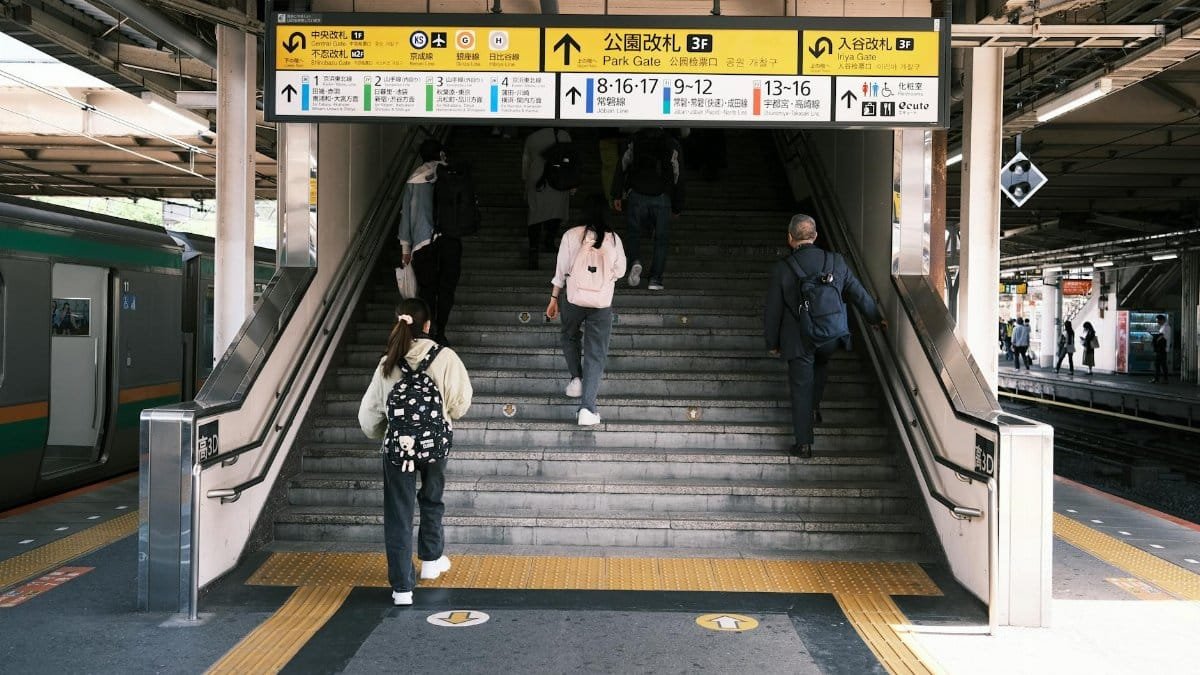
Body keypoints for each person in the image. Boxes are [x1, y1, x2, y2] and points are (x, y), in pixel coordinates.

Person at [358, 297, 473, 607]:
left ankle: (402, 588)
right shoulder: (445, 357)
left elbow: (368, 418)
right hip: (434, 446)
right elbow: (461, 404)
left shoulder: (387, 362)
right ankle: (432, 560)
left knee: (398, 513)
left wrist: (390, 434)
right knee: (432, 499)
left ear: (398, 322)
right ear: (427, 325)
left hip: (397, 450)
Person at [764, 214, 886, 459]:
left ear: (790, 238)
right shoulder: (836, 261)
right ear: (815, 236)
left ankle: (804, 444)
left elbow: (773, 310)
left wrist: (772, 343)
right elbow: (858, 292)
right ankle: (815, 408)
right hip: (830, 334)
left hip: (798, 338)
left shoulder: (782, 269)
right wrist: (875, 318)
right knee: (821, 365)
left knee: (801, 387)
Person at [545, 196, 627, 426]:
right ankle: (588, 408)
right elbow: (621, 270)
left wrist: (553, 298)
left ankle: (576, 378)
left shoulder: (571, 235)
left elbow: (561, 270)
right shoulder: (613, 239)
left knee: (569, 335)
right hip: (601, 303)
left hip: (573, 299)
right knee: (595, 353)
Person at [398, 138, 462, 346]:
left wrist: (405, 248)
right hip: (450, 240)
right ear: (441, 154)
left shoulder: (415, 178)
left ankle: (428, 329)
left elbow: (406, 216)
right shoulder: (453, 174)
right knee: (446, 289)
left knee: (427, 289)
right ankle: (441, 331)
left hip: (422, 244)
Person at [611, 127, 684, 292]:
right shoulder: (671, 142)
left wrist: (617, 193)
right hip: (662, 196)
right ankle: (655, 279)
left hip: (637, 192)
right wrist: (678, 205)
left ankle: (635, 260)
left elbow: (622, 165)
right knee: (661, 239)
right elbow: (678, 174)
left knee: (633, 232)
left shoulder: (634, 139)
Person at [522, 128, 573, 270]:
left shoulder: (532, 136)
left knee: (535, 214)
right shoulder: (564, 134)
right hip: (558, 179)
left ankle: (533, 248)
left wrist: (526, 181)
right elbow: (569, 159)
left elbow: (526, 161)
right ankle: (549, 241)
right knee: (556, 211)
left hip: (537, 179)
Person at [1151, 314, 1172, 383]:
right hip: (1161, 349)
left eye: (1158, 321)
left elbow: (1166, 338)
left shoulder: (1167, 327)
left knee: (1160, 365)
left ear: (1162, 320)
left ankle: (1162, 379)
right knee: (1160, 364)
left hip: (1162, 349)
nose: (1157, 322)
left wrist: (1157, 338)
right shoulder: (1163, 326)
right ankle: (1159, 379)